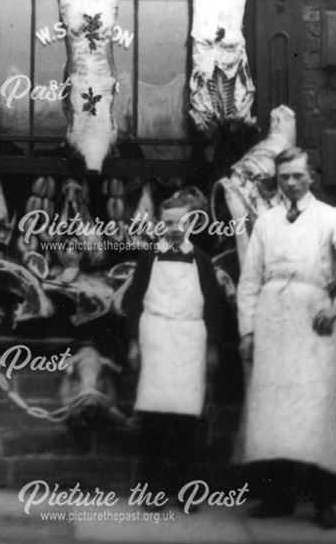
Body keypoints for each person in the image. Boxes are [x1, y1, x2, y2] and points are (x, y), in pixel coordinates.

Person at [237, 147, 336, 529]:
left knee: (314, 409)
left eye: (298, 176)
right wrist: (248, 331)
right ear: (277, 179)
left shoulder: (329, 219)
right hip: (272, 321)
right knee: (274, 410)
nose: (290, 183)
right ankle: (279, 497)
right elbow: (250, 279)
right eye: (284, 176)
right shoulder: (266, 222)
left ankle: (322, 501)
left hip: (311, 323)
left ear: (311, 177)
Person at [123, 197, 225, 510]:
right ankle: (150, 490)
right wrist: (133, 343)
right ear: (159, 224)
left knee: (186, 421)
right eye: (167, 223)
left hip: (189, 343)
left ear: (190, 224)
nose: (174, 229)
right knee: (153, 419)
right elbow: (132, 303)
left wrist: (212, 349)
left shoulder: (202, 261)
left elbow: (215, 310)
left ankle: (186, 491)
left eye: (181, 222)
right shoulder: (147, 259)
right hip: (155, 340)